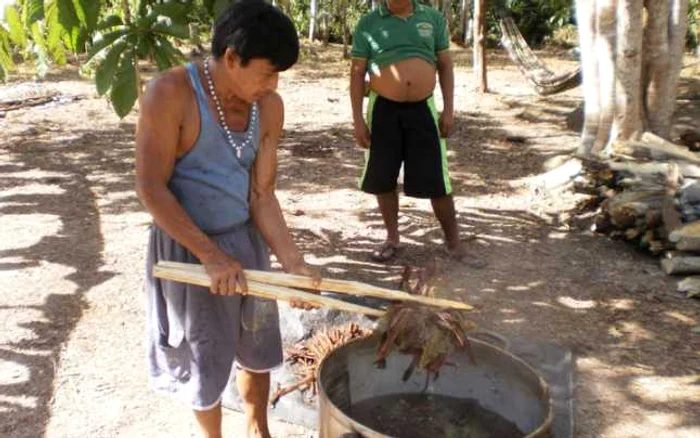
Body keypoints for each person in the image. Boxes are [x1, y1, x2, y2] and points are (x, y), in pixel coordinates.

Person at [135, 2, 319, 437]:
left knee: (258, 345)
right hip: (188, 249)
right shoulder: (170, 93)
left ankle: (258, 430)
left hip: (245, 242)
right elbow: (151, 187)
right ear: (232, 57)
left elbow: (262, 193)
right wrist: (210, 256)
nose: (273, 85)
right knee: (205, 354)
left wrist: (294, 264)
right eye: (267, 72)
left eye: (279, 76)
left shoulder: (268, 107)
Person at [350, 0, 482, 266]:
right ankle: (392, 238)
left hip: (423, 108)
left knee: (437, 177)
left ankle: (454, 244)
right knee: (383, 175)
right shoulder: (369, 24)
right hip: (382, 109)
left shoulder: (432, 19)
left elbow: (445, 65)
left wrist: (448, 110)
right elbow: (357, 73)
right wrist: (357, 120)